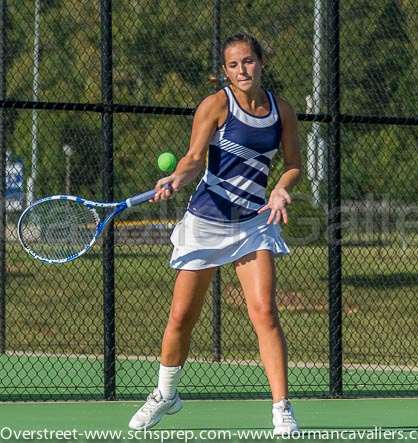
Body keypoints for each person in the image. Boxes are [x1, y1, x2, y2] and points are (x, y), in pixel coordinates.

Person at [128, 32, 302, 436]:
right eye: (234, 65)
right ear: (225, 71)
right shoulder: (216, 105)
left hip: (252, 224)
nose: (242, 70)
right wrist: (176, 178)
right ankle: (166, 395)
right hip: (206, 222)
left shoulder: (283, 111)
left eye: (249, 61)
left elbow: (293, 164)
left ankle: (282, 409)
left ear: (261, 62)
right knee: (181, 318)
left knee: (265, 313)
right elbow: (193, 159)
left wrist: (281, 188)